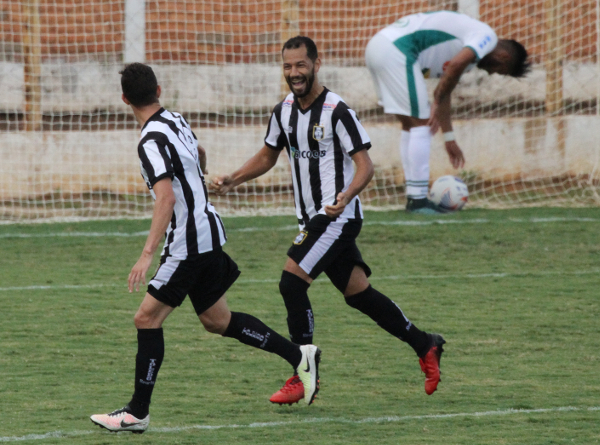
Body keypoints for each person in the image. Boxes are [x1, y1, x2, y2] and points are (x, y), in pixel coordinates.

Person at [211, 36, 445, 406]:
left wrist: (346, 195)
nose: (294, 73)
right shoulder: (283, 111)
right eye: (288, 66)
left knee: (291, 283)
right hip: (314, 217)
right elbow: (269, 155)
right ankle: (425, 343)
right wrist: (233, 178)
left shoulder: (337, 110)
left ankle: (304, 372)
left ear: (316, 64)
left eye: (301, 65)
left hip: (336, 217)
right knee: (359, 295)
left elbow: (365, 165)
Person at [90, 63, 320, 434]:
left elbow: (164, 198)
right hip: (210, 231)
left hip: (188, 244)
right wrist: (199, 178)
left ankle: (136, 412)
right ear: (159, 91)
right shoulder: (175, 119)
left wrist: (147, 253)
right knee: (217, 321)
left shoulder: (149, 140)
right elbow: (198, 151)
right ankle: (300, 355)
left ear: (124, 100)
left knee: (146, 319)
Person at [365, 11, 530, 214]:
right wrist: (436, 99)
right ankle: (417, 201)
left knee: (411, 125)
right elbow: (453, 68)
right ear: (504, 57)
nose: (489, 72)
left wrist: (449, 137)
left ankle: (413, 197)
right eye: (497, 69)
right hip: (397, 50)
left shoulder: (469, 55)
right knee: (421, 126)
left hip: (380, 47)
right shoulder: (486, 37)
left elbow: (446, 88)